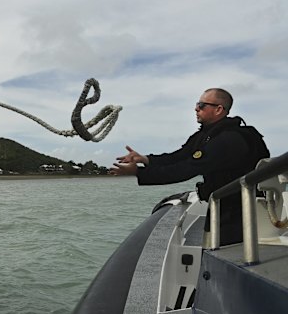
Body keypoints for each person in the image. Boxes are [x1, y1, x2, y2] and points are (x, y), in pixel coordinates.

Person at [110, 88, 269, 246]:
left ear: (218, 109)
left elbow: (185, 169)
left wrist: (138, 172)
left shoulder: (228, 140)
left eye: (201, 105)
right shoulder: (205, 136)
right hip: (221, 206)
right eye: (197, 104)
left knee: (225, 253)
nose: (196, 108)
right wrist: (144, 159)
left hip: (239, 211)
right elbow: (177, 157)